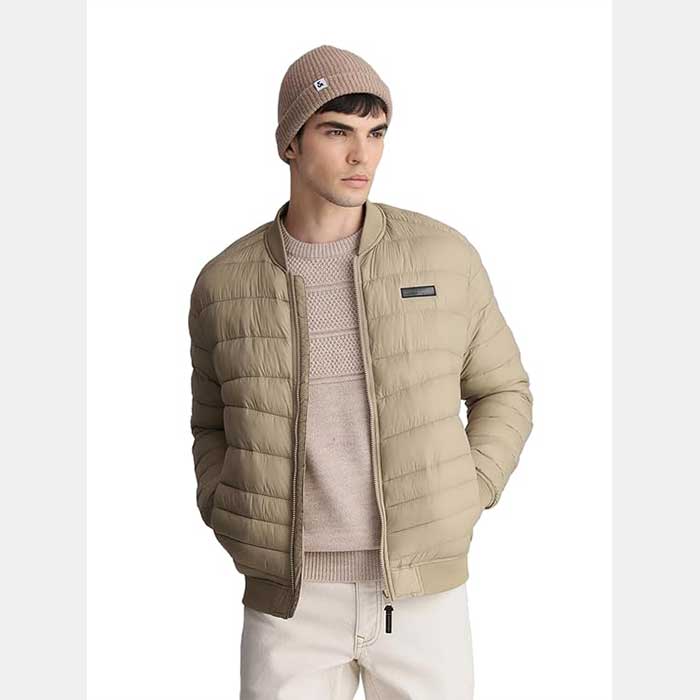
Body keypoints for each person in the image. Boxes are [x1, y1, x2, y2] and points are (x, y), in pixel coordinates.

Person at [188, 44, 534, 700]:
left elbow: (503, 391)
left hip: (421, 595)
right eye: (337, 132)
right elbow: (211, 424)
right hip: (288, 603)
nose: (361, 155)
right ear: (290, 143)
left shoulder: (443, 257)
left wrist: (469, 489)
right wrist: (223, 502)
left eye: (376, 133)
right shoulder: (223, 283)